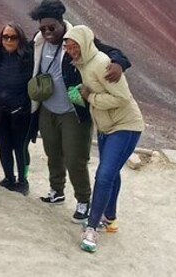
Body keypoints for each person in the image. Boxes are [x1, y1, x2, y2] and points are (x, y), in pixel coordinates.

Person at [29, 0, 132, 225]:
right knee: (53, 153)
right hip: (47, 109)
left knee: (76, 159)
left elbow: (109, 51)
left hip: (73, 112)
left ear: (61, 23)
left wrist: (119, 63)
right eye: (42, 28)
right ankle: (57, 191)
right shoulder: (38, 42)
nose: (47, 32)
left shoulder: (77, 39)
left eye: (51, 28)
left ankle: (83, 201)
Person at [63, 25, 145, 254]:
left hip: (125, 125)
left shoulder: (100, 63)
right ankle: (110, 218)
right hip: (106, 126)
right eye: (68, 47)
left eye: (75, 46)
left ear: (85, 43)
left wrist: (91, 97)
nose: (71, 50)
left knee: (104, 174)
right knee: (112, 171)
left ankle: (92, 227)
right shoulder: (83, 64)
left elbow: (122, 97)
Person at [0, 23, 34, 195]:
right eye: (5, 37)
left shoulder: (29, 57)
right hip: (2, 110)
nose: (8, 40)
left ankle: (23, 180)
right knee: (4, 146)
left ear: (20, 39)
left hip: (22, 112)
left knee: (21, 148)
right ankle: (8, 177)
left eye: (13, 37)